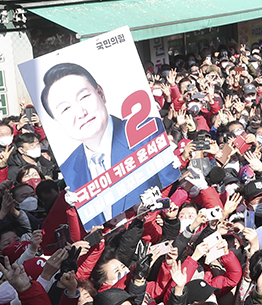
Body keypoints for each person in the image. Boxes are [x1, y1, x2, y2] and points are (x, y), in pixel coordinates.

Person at [39, 62, 176, 225]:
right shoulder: (70, 170)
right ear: (57, 122)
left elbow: (172, 187)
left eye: (84, 97)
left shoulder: (146, 133)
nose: (81, 113)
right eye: (65, 109)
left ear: (101, 94)